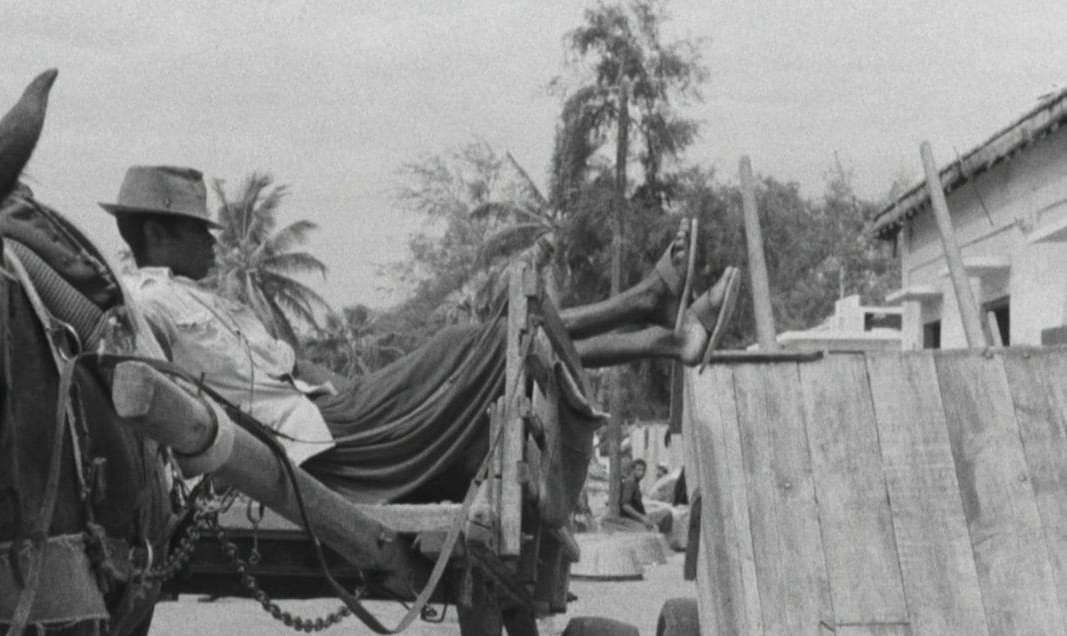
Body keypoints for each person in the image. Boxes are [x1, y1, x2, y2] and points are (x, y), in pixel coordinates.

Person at [103, 165, 739, 505]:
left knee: (495, 342)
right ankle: (654, 317)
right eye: (196, 232)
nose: (212, 243)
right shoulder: (144, 304)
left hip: (332, 414)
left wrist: (361, 388)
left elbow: (291, 369)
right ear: (157, 235)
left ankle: (662, 327)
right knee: (480, 341)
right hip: (300, 449)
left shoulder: (206, 299)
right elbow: (157, 401)